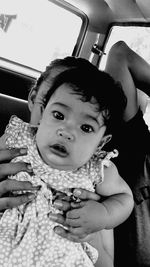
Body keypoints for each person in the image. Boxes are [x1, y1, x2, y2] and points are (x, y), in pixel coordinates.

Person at [0, 59, 133, 267]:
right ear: (41, 107)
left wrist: (103, 216)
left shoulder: (96, 168)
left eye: (86, 128)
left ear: (101, 143)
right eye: (59, 115)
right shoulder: (17, 138)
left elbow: (124, 198)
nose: (66, 131)